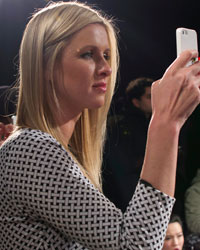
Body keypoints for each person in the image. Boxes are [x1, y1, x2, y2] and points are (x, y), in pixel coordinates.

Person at [0, 1, 200, 249]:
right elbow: (136, 246)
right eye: (87, 54)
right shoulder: (30, 150)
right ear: (45, 65)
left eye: (107, 55)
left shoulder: (52, 150)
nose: (106, 68)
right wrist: (167, 121)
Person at [103, 77, 153, 211]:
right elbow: (122, 168)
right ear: (136, 102)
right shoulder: (121, 127)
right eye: (149, 97)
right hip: (132, 201)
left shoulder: (151, 124)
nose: (154, 100)